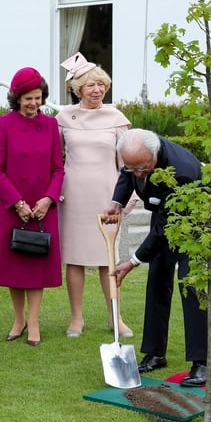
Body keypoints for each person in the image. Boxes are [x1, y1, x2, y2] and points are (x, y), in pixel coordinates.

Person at [100, 128, 208, 387]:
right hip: (165, 212)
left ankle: (201, 363)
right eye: (133, 167)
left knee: (191, 284)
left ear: (155, 153)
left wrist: (133, 261)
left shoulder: (181, 171)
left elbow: (163, 229)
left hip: (197, 219)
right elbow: (127, 175)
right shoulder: (136, 155)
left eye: (143, 168)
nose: (138, 174)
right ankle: (155, 353)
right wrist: (117, 202)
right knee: (158, 278)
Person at [0, 67, 64, 347]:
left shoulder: (52, 126)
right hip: (11, 204)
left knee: (36, 266)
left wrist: (48, 199)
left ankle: (35, 322)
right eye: (28, 98)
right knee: (14, 266)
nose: (34, 104)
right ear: (16, 98)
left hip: (43, 205)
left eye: (38, 98)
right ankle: (18, 319)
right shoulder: (3, 124)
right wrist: (16, 202)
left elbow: (58, 168)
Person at [57, 52, 135, 338]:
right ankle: (76, 319)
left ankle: (116, 318)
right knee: (75, 258)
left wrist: (127, 199)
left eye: (101, 85)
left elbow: (128, 163)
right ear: (78, 89)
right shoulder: (63, 117)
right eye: (91, 85)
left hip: (107, 196)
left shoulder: (116, 118)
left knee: (108, 259)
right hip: (74, 195)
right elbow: (54, 159)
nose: (97, 90)